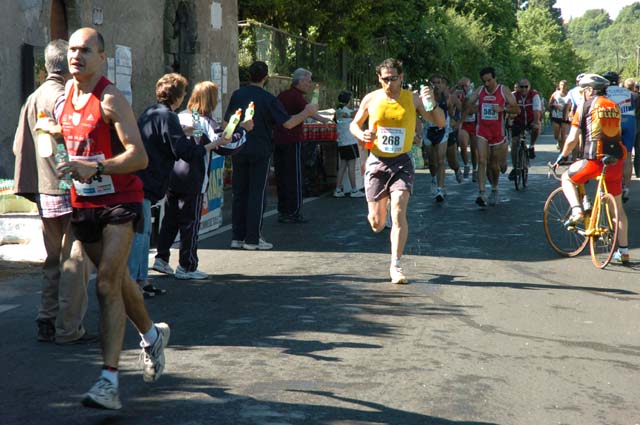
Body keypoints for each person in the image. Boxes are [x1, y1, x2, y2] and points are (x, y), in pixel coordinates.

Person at [38, 27, 169, 410]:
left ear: (102, 57)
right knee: (119, 281)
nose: (76, 56)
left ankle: (109, 380)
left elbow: (139, 157)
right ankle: (151, 334)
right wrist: (58, 150)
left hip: (120, 201)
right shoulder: (61, 102)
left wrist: (96, 170)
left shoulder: (110, 100)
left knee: (107, 283)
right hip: (84, 206)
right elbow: (69, 153)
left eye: (85, 50)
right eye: (72, 50)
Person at [12, 39, 92, 344]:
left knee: (53, 258)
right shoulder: (63, 97)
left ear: (46, 65)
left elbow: (19, 146)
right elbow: (73, 137)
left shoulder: (33, 98)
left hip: (44, 188)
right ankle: (68, 326)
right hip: (67, 186)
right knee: (75, 257)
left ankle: (47, 317)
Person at [349, 58, 445, 284]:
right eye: (385, 79)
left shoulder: (412, 99)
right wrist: (360, 135)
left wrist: (432, 103)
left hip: (402, 161)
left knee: (399, 210)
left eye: (394, 78)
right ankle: (381, 209)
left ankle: (396, 265)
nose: (389, 83)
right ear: (379, 78)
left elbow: (439, 122)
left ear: (402, 77)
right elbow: (354, 124)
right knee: (377, 223)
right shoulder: (371, 99)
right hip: (377, 161)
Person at [129, 74, 229, 288]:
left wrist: (184, 131)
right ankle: (141, 281)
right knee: (146, 233)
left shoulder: (152, 111)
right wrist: (209, 146)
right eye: (183, 93)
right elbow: (182, 150)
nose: (184, 97)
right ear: (177, 96)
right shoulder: (170, 116)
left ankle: (150, 271)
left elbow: (163, 137)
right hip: (154, 179)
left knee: (161, 224)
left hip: (149, 178)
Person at [154, 81, 249, 279]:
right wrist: (244, 130)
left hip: (172, 176)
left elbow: (198, 136)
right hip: (193, 178)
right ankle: (186, 266)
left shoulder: (179, 117)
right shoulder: (204, 121)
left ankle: (161, 258)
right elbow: (223, 145)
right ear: (212, 100)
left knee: (170, 220)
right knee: (190, 223)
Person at [224, 61, 318, 250]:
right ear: (266, 78)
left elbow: (227, 121)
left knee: (239, 193)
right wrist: (306, 112)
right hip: (260, 149)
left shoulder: (237, 94)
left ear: (248, 75)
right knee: (256, 194)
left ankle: (237, 237)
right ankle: (252, 238)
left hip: (238, 148)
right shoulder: (268, 98)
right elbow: (288, 123)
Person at [554, 73, 630, 264]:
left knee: (567, 178)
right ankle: (624, 251)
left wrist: (562, 156)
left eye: (583, 90)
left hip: (594, 159)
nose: (582, 93)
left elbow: (572, 139)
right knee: (619, 210)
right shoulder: (614, 106)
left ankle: (577, 210)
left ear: (590, 89)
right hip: (615, 161)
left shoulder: (585, 106)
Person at [272, 68, 329, 223]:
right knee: (295, 177)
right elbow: (310, 111)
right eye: (309, 81)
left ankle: (283, 210)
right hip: (292, 140)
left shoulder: (282, 95)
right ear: (301, 80)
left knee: (282, 176)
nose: (310, 85)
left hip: (278, 141)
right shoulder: (296, 97)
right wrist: (325, 120)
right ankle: (294, 211)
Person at [464, 67, 519, 207]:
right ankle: (481, 193)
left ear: (495, 78)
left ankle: (494, 188)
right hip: (482, 130)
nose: (487, 84)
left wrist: (503, 109)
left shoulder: (503, 90)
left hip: (497, 132)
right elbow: (468, 106)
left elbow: (516, 109)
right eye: (484, 81)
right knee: (482, 160)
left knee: (494, 165)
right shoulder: (479, 90)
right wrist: (472, 106)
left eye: (489, 80)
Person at [420, 74, 458, 202]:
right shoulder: (424, 96)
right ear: (429, 84)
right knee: (432, 162)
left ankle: (440, 188)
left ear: (442, 84)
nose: (436, 85)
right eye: (434, 82)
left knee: (441, 160)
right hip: (429, 130)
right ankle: (433, 178)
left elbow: (452, 110)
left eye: (439, 82)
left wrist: (453, 119)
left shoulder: (446, 96)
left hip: (442, 130)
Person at [603, 71, 636, 203]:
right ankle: (626, 188)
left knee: (610, 153)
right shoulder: (627, 92)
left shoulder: (605, 92)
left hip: (613, 121)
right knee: (627, 156)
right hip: (629, 121)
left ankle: (612, 187)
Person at [333, 91, 365, 198]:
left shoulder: (337, 112)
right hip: (350, 142)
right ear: (348, 101)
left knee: (342, 167)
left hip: (342, 143)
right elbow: (358, 113)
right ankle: (354, 190)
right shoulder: (349, 112)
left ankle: (338, 189)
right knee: (351, 167)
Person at [509, 78, 542, 178]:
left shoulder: (534, 96)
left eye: (526, 87)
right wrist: (510, 119)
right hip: (518, 121)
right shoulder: (513, 95)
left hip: (531, 120)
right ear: (518, 87)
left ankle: (531, 146)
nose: (523, 89)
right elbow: (509, 108)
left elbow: (536, 111)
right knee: (514, 143)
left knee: (537, 128)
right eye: (521, 87)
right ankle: (515, 167)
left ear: (529, 87)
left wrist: (536, 123)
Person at [549, 80, 570, 151]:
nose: (563, 86)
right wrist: (555, 105)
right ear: (559, 86)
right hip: (556, 116)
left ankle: (562, 153)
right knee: (556, 135)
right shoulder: (555, 94)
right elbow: (550, 104)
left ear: (567, 86)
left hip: (565, 117)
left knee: (563, 134)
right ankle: (559, 141)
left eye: (564, 85)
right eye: (561, 85)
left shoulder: (569, 94)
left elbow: (573, 104)